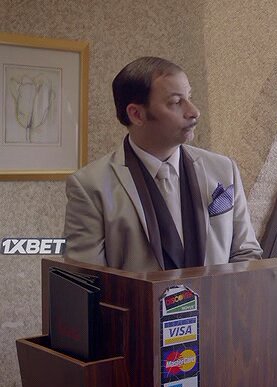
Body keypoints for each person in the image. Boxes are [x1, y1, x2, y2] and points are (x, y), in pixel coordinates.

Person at [63, 57, 262, 271]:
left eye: (189, 97)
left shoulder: (223, 169)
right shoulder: (90, 186)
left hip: (220, 294)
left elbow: (246, 253)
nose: (194, 111)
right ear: (136, 114)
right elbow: (86, 278)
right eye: (176, 102)